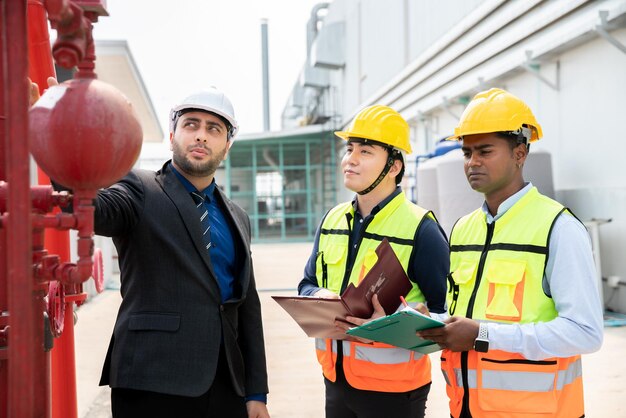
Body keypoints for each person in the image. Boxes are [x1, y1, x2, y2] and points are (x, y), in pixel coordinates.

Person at [71, 87, 269, 418]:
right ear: (172, 134)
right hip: (152, 381)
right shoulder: (138, 189)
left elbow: (247, 305)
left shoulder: (238, 216)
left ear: (227, 145)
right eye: (192, 125)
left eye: (214, 129)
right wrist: (56, 142)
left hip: (226, 384)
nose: (201, 136)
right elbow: (90, 208)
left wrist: (256, 390)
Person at [418, 88, 604, 417]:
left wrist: (483, 335)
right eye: (466, 152)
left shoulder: (557, 228)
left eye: (484, 151)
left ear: (520, 153)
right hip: (465, 409)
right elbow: (463, 316)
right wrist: (429, 321)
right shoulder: (462, 229)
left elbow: (585, 333)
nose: (472, 162)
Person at [298, 105, 449, 418]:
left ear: (393, 166)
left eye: (365, 151)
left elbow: (447, 314)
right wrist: (321, 296)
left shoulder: (421, 228)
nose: (350, 159)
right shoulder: (332, 220)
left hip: (394, 392)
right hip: (335, 380)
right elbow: (307, 283)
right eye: (350, 148)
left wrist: (395, 320)